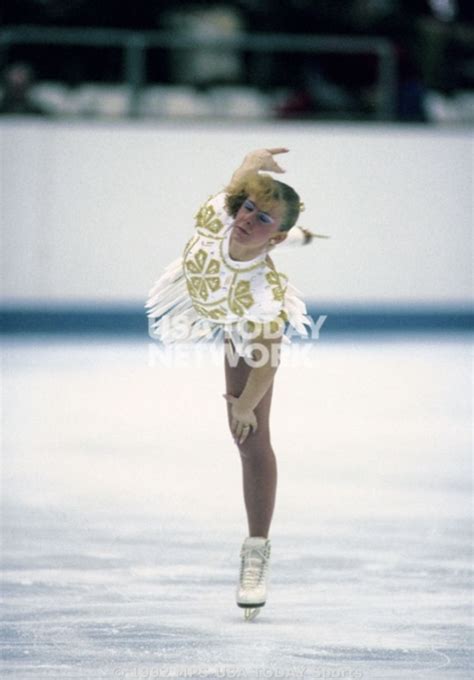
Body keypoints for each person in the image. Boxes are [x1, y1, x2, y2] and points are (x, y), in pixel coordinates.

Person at [145, 148, 328, 621]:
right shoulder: (217, 216)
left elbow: (267, 363)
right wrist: (254, 159)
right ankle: (296, 234)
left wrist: (245, 406)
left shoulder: (266, 297)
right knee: (244, 228)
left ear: (276, 233)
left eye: (263, 218)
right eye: (248, 208)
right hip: (207, 297)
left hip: (242, 321)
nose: (247, 219)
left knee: (250, 437)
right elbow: (239, 182)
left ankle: (256, 550)